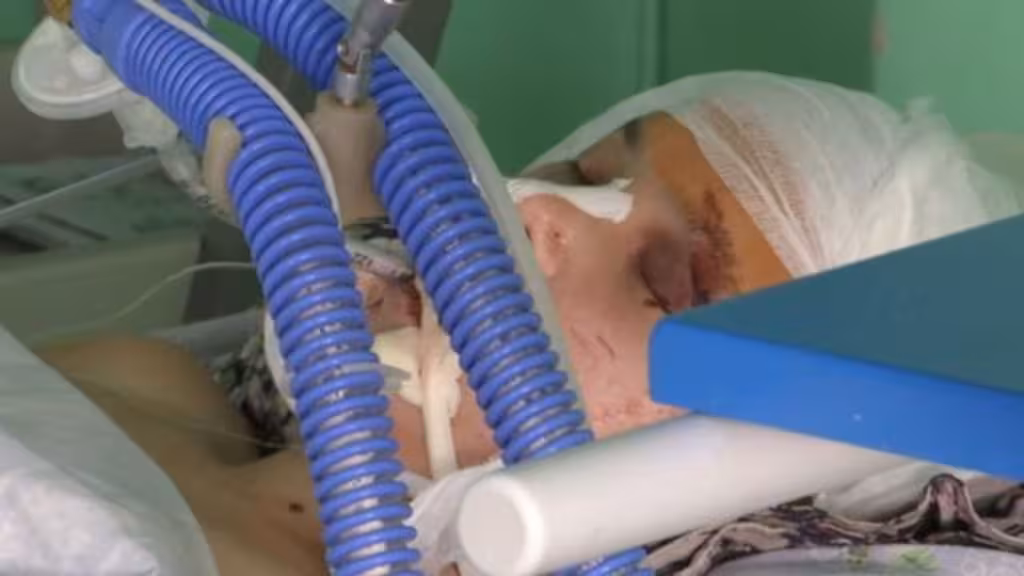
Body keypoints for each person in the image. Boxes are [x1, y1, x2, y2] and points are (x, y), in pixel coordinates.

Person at [13, 71, 1024, 575]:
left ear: (742, 490)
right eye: (584, 171)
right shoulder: (143, 378)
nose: (537, 211)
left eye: (668, 283)